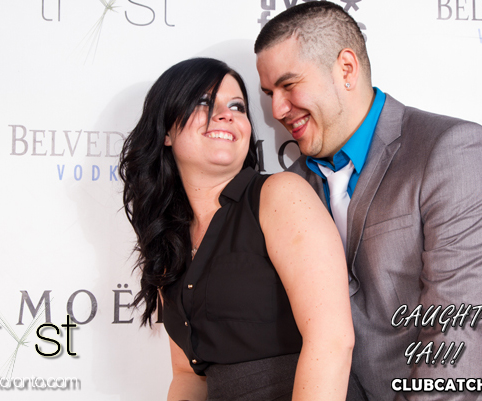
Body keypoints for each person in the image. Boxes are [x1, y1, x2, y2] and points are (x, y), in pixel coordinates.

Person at [255, 3, 482, 400]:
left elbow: (460, 331)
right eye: (270, 93)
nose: (277, 109)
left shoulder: (451, 148)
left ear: (346, 68)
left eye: (289, 85)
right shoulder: (289, 189)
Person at [119, 57, 354, 401]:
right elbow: (188, 377)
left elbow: (331, 340)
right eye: (203, 102)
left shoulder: (280, 195)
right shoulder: (169, 242)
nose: (226, 114)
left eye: (237, 106)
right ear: (166, 131)